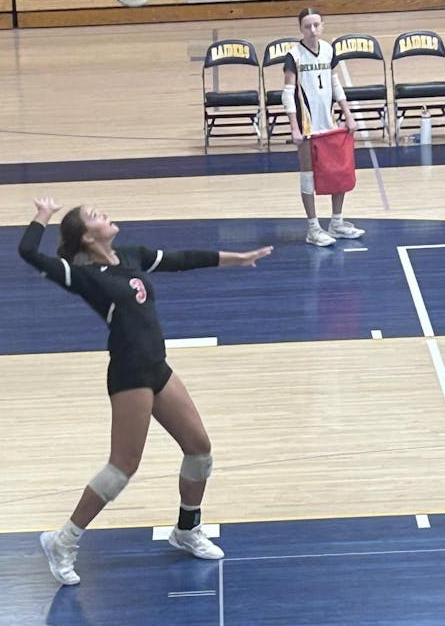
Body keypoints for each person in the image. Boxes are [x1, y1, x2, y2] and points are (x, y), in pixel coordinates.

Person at [19, 197, 273, 585]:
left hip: (157, 367)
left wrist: (234, 259)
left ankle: (186, 529)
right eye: (94, 216)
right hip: (129, 372)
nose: (103, 213)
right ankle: (62, 541)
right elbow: (27, 252)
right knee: (122, 468)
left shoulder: (131, 255)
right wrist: (43, 216)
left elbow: (181, 259)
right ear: (87, 237)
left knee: (199, 450)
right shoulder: (82, 275)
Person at [283, 7, 364, 247]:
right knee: (308, 175)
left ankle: (336, 223)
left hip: (329, 122)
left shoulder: (329, 50)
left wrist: (348, 115)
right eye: (307, 26)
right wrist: (293, 128)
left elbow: (335, 83)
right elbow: (288, 94)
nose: (312, 30)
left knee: (339, 171)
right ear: (300, 28)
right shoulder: (294, 55)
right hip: (307, 125)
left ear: (323, 25)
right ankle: (313, 228)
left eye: (316, 25)